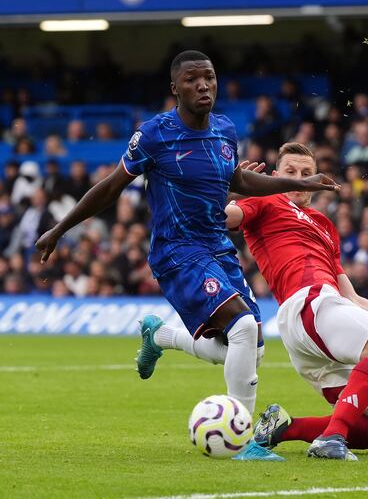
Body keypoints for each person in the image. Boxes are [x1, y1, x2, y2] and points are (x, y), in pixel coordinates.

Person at [35, 51, 338, 461]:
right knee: (245, 328)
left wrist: (294, 182)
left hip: (217, 247)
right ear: (175, 88)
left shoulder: (225, 130)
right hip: (177, 250)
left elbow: (239, 180)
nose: (203, 86)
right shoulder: (156, 134)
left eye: (209, 78)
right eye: (193, 80)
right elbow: (110, 187)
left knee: (248, 348)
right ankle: (243, 441)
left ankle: (161, 335)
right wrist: (59, 229)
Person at [224, 142, 368, 461]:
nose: (298, 179)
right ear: (274, 176)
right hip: (309, 304)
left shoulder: (325, 226)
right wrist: (232, 194)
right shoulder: (265, 202)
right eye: (290, 172)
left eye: (306, 173)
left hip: (322, 314)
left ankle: (280, 428)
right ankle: (331, 438)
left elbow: (351, 296)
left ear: (316, 180)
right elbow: (224, 217)